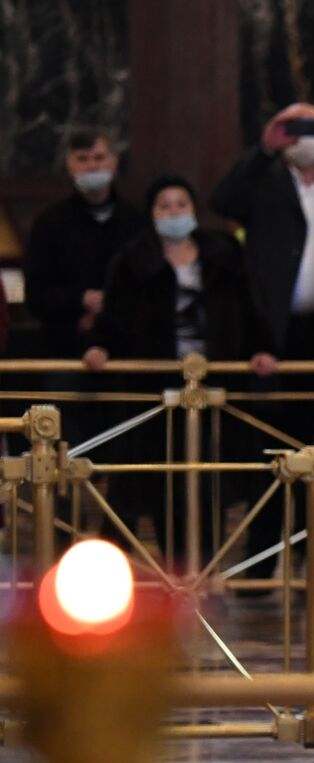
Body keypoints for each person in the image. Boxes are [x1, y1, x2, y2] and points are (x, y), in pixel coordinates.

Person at [82, 174, 276, 567]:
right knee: (157, 484)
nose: (174, 213)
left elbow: (250, 310)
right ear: (152, 214)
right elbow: (114, 320)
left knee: (210, 483)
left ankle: (205, 573)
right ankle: (170, 573)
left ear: (193, 209)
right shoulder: (132, 261)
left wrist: (262, 350)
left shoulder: (221, 255)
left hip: (215, 386)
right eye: (164, 206)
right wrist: (98, 347)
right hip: (155, 391)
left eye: (181, 204)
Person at [209, 103, 314, 577]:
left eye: (312, 128)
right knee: (271, 449)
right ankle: (261, 560)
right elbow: (223, 202)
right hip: (271, 335)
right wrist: (263, 149)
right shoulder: (263, 182)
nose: (304, 138)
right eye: (293, 129)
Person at [23, 128, 144, 441]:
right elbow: (35, 295)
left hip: (124, 354)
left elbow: (149, 288)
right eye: (83, 159)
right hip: (66, 352)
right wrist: (81, 300)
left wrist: (109, 311)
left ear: (115, 163)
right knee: (64, 445)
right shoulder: (50, 223)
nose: (92, 166)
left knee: (126, 444)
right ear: (69, 166)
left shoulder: (137, 222)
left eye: (99, 157)